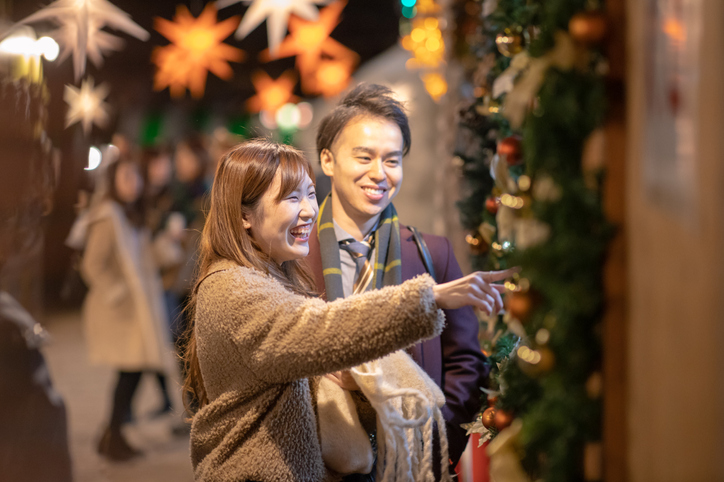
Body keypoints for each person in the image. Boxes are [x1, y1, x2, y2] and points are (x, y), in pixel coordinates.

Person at [183, 139, 507, 482]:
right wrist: (427, 298)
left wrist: (361, 386)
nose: (309, 209)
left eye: (310, 194)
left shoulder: (274, 276)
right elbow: (318, 327)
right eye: (292, 198)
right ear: (244, 215)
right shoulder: (231, 285)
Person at [306, 83, 499, 474]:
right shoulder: (290, 256)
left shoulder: (432, 253)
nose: (379, 174)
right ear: (328, 160)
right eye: (364, 157)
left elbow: (466, 362)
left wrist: (432, 447)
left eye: (392, 160)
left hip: (410, 463)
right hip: (315, 460)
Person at [81, 156, 178, 461]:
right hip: (120, 312)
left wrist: (167, 243)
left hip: (138, 310)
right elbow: (92, 264)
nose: (132, 183)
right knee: (130, 373)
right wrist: (118, 291)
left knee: (132, 372)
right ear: (113, 181)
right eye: (125, 177)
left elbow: (145, 257)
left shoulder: (131, 214)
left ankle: (110, 435)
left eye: (135, 177)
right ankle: (113, 436)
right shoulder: (108, 216)